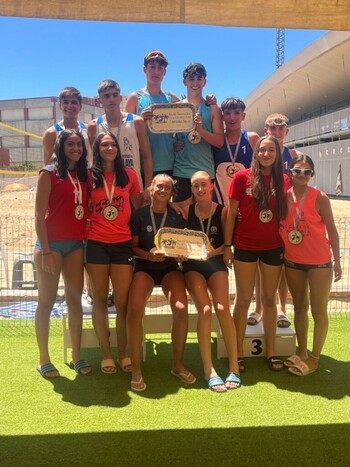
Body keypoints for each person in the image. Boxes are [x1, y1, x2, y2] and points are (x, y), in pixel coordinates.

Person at [223, 136, 289, 372]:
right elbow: (231, 214)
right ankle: (237, 352)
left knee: (269, 300)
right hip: (245, 246)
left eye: (271, 149)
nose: (266, 153)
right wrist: (227, 246)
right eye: (262, 149)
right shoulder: (242, 177)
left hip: (273, 247)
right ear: (256, 152)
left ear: (277, 153)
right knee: (242, 299)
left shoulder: (284, 180)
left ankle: (271, 352)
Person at [127, 174, 195, 392]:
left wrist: (181, 255)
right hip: (145, 267)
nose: (163, 190)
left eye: (167, 188)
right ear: (151, 189)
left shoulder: (177, 216)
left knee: (181, 308)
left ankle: (177, 365)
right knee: (135, 309)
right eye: (159, 187)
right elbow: (133, 248)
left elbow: (183, 246)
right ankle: (136, 369)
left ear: (171, 192)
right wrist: (148, 256)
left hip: (169, 269)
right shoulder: (138, 215)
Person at [34, 129, 91, 378]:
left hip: (75, 245)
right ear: (61, 146)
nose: (75, 148)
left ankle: (76, 356)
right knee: (46, 302)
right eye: (70, 144)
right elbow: (38, 216)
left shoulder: (84, 174)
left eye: (79, 144)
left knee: (74, 300)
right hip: (51, 246)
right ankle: (43, 358)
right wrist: (45, 251)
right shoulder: (48, 173)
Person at [85, 132, 142, 375]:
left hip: (122, 244)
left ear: (118, 149)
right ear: (97, 149)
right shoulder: (89, 176)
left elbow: (138, 207)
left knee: (122, 303)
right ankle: (106, 354)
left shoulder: (128, 175)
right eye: (104, 145)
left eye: (112, 144)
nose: (109, 148)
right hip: (96, 242)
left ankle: (123, 353)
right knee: (99, 300)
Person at [279, 155, 342, 376]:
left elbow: (332, 230)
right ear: (290, 173)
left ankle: (315, 358)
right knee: (299, 307)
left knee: (318, 311)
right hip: (293, 261)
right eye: (298, 171)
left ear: (312, 175)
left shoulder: (320, 197)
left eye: (307, 172)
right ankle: (302, 351)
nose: (302, 176)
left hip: (319, 263)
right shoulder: (282, 197)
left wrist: (337, 261)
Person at [183, 171, 240, 392]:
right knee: (205, 309)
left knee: (222, 307)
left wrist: (212, 253)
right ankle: (210, 370)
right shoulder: (185, 211)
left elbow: (227, 245)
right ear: (191, 189)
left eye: (203, 185)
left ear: (212, 185)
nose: (199, 189)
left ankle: (234, 366)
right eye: (195, 186)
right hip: (193, 266)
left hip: (214, 263)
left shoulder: (223, 211)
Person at [248, 113, 298, 328]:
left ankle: (281, 309)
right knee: (261, 266)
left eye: (281, 128)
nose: (277, 132)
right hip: (262, 215)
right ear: (265, 130)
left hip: (284, 216)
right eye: (272, 128)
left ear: (286, 131)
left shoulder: (294, 154)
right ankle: (259, 308)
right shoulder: (261, 151)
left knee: (283, 265)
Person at [87, 79, 153, 193]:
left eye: (115, 95)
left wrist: (148, 187)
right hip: (105, 186)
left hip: (133, 187)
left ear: (120, 98)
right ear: (100, 100)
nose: (111, 99)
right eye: (107, 96)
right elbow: (92, 159)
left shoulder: (136, 121)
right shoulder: (93, 126)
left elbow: (146, 156)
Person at [172, 63, 224, 202]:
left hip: (205, 172)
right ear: (184, 82)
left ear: (204, 82)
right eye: (191, 78)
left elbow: (219, 142)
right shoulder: (176, 108)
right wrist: (173, 145)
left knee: (204, 219)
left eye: (199, 79)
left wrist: (201, 131)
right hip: (181, 172)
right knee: (180, 217)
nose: (195, 83)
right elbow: (168, 137)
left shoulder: (213, 109)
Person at [124, 50, 179, 176]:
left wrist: (176, 142)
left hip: (169, 163)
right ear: (145, 70)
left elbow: (183, 124)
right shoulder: (135, 98)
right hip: (142, 165)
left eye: (160, 68)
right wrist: (140, 120)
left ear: (164, 72)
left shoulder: (172, 99)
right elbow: (125, 133)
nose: (156, 71)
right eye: (152, 67)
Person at [213, 97, 259, 206]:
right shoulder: (216, 141)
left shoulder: (252, 138)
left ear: (243, 116)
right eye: (227, 113)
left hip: (245, 201)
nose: (232, 118)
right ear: (222, 117)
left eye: (237, 113)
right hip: (219, 202)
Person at [42, 87, 91, 166]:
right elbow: (48, 166)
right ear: (60, 106)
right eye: (65, 102)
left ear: (80, 106)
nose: (69, 106)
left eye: (74, 102)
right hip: (62, 177)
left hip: (86, 176)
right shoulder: (51, 133)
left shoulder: (88, 129)